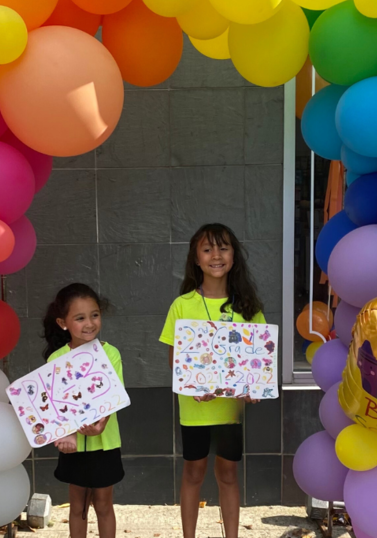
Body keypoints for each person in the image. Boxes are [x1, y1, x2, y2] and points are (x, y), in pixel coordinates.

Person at [160, 223, 265, 538]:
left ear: (234, 255)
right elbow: (174, 359)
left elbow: (259, 359)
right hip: (195, 409)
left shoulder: (248, 308)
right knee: (193, 472)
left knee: (229, 473)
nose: (216, 256)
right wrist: (194, 384)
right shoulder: (183, 305)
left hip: (230, 411)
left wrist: (253, 386)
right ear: (196, 258)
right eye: (207, 249)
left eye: (223, 248)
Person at [43, 283, 124, 538]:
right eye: (80, 318)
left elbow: (114, 395)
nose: (89, 323)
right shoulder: (55, 359)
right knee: (77, 506)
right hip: (73, 446)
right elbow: (53, 406)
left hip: (105, 443)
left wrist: (100, 425)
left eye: (95, 315)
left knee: (103, 505)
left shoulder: (111, 353)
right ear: (63, 322)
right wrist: (63, 435)